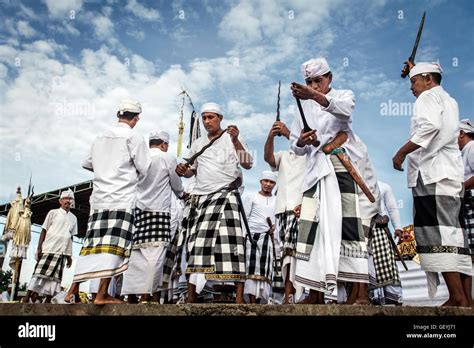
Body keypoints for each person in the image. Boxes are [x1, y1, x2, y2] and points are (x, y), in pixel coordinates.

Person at [290, 57, 378, 304]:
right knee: (312, 229)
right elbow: (295, 147)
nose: (314, 85)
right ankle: (314, 292)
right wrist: (301, 141)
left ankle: (359, 292)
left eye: (318, 80)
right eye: (309, 81)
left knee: (349, 225)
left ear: (329, 78)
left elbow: (344, 112)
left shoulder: (344, 95)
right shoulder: (300, 107)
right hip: (314, 171)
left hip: (341, 166)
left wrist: (313, 95)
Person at [392, 62, 472, 307]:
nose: (412, 89)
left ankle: (457, 298)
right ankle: (465, 299)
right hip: (449, 176)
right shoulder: (449, 100)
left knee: (437, 235)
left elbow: (430, 127)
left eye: (413, 82)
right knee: (454, 236)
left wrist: (401, 153)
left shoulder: (426, 97)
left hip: (432, 175)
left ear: (427, 79)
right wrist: (415, 68)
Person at [59, 99, 151, 305]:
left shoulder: (100, 136)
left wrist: (105, 169)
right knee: (113, 246)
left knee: (92, 245)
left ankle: (72, 291)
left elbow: (87, 163)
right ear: (136, 118)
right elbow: (145, 167)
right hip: (121, 198)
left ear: (119, 115)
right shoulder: (133, 137)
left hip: (99, 199)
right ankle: (101, 294)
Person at [176, 102, 253, 303]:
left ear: (220, 118)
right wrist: (184, 171)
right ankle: (191, 298)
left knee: (233, 243)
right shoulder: (198, 144)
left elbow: (248, 163)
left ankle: (238, 301)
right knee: (197, 245)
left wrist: (236, 140)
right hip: (201, 197)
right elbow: (192, 171)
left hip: (227, 194)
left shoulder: (232, 137)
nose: (207, 121)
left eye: (211, 117)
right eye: (204, 118)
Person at [121, 131, 184, 303]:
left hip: (138, 210)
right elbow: (176, 183)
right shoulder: (167, 158)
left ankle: (131, 295)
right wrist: (182, 194)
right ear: (164, 144)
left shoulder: (140, 157)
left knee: (136, 255)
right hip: (159, 211)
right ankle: (146, 296)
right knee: (154, 256)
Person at [264, 120, 306, 304]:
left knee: (298, 254)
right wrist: (271, 135)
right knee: (287, 254)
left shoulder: (312, 155)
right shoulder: (284, 155)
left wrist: (288, 132)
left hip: (301, 208)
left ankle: (293, 296)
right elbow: (267, 158)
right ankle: (291, 297)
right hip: (282, 210)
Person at [23, 189, 77, 303]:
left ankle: (48, 301)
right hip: (49, 248)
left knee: (56, 278)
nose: (68, 201)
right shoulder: (53, 213)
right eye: (66, 198)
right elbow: (44, 230)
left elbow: (71, 237)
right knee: (38, 273)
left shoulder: (74, 218)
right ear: (60, 201)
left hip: (62, 251)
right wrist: (39, 248)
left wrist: (69, 256)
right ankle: (27, 297)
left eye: (70, 199)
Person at [243, 171, 277, 303]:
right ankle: (251, 301)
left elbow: (277, 220)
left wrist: (275, 228)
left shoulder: (277, 200)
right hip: (252, 239)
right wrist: (244, 237)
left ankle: (259, 301)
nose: (268, 184)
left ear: (274, 184)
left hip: (268, 240)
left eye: (271, 182)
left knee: (265, 270)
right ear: (261, 182)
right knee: (251, 269)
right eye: (266, 181)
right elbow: (244, 218)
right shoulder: (251, 197)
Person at [368, 181, 403, 305]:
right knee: (367, 265)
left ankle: (391, 297)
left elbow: (392, 208)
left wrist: (398, 228)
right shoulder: (352, 185)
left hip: (380, 231)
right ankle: (372, 296)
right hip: (362, 229)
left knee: (385, 265)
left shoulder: (383, 187)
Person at [457, 119, 474, 300]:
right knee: (467, 253)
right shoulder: (464, 152)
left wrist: (459, 189)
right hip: (466, 203)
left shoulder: (472, 148)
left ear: (461, 133)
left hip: (471, 202)